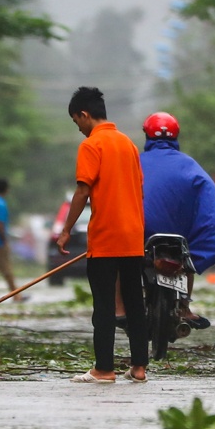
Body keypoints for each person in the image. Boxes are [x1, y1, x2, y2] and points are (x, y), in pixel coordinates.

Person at [54, 86, 147, 384]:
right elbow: (139, 189)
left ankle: (104, 369)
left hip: (106, 238)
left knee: (105, 305)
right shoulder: (128, 144)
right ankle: (139, 368)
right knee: (135, 303)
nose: (79, 129)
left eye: (76, 122)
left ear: (84, 115)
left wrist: (66, 230)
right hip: (133, 237)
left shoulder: (92, 146)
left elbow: (83, 191)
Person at [139, 112, 215, 326]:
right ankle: (184, 307)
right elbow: (212, 204)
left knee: (128, 262)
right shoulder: (189, 165)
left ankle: (126, 307)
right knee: (188, 257)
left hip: (143, 234)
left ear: (147, 135)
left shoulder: (135, 161)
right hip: (178, 236)